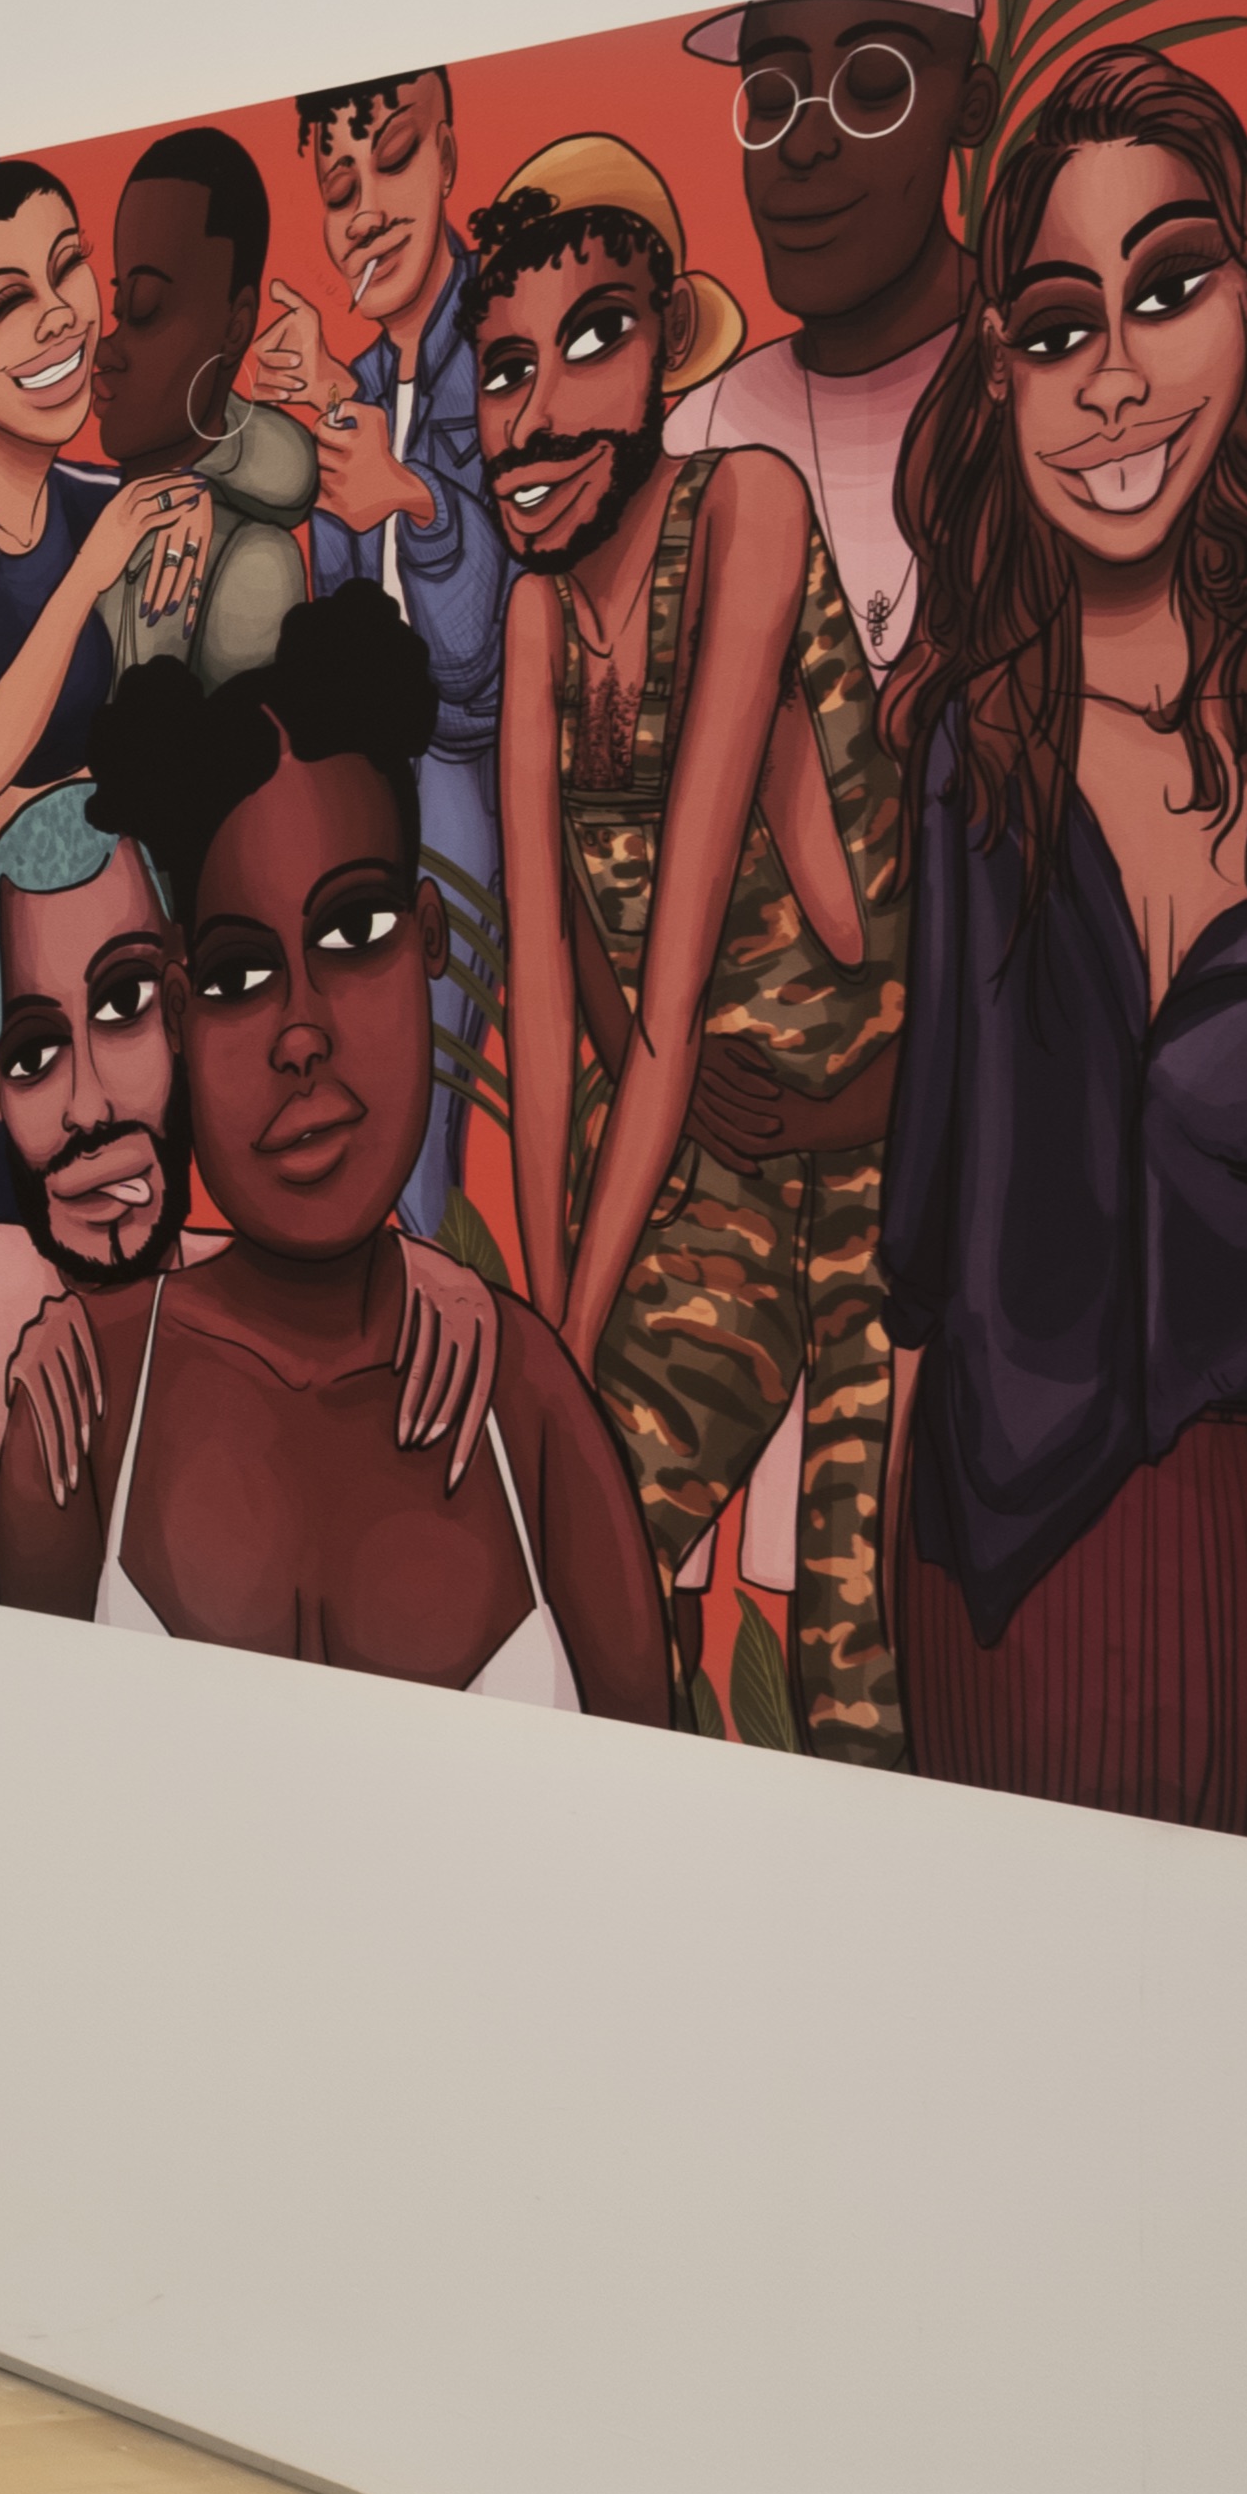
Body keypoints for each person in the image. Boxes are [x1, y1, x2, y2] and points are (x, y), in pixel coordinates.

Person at [882, 51, 1247, 1839]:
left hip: (1244, 1537)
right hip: (992, 1531)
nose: (1113, 377)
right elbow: (936, 1139)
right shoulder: (977, 743)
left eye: (1171, 287)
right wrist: (901, 1459)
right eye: (1058, 327)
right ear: (999, 371)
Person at [0, 593, 670, 1715]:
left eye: (353, 934)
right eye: (239, 977)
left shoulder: (527, 1403)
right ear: (179, 1013)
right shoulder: (81, 1410)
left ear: (431, 938)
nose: (300, 1033)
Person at [476, 128, 915, 1759]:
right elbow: (543, 999)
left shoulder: (744, 507)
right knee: (586, 1553)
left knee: (852, 1658)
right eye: (503, 366)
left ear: (666, 347)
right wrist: (545, 1333)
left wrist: (567, 1356)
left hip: (869, 1134)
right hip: (706, 1142)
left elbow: (662, 995)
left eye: (592, 337)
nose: (534, 413)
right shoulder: (534, 613)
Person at [0, 782, 506, 1597]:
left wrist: (412, 1275)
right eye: (35, 1056)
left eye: (124, 1006)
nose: (88, 1106)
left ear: (184, 1012)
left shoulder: (220, 1283)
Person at [0, 159, 208, 1570]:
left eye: (69, 268)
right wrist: (93, 575)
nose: (57, 318)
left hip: (98, 963)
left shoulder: (105, 491)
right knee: (4, 1282)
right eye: (8, 300)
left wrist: (187, 515)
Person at [243, 70, 500, 1247]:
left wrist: (418, 504)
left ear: (448, 156)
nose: (366, 210)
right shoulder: (368, 386)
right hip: (378, 790)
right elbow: (344, 632)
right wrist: (329, 408)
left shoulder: (499, 351)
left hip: (474, 790)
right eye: (339, 185)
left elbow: (482, 668)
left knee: (411, 1081)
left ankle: (421, 1263)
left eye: (394, 157)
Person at [663, 0, 983, 683]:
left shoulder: (1063, 371)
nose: (802, 144)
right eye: (771, 97)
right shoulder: (704, 434)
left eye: (872, 88)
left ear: (971, 108)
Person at [88, 125, 316, 688]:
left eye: (144, 308)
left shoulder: (251, 562)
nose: (105, 351)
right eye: (117, 309)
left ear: (234, 328)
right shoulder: (90, 512)